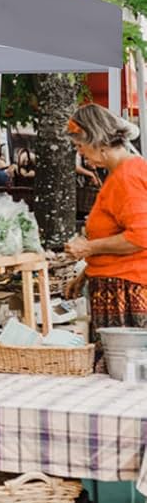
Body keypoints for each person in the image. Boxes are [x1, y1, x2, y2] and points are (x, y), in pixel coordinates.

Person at [65, 104, 147, 332]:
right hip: (118, 285)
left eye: (80, 146)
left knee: (121, 354)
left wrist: (88, 247)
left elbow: (140, 237)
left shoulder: (127, 177)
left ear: (96, 140)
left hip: (127, 289)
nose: (80, 153)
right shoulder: (121, 172)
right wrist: (85, 274)